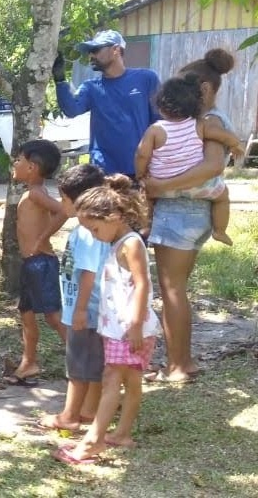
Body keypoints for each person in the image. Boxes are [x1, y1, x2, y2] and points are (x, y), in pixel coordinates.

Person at [142, 49, 236, 383]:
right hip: (192, 213)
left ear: (206, 90)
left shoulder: (211, 121)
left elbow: (212, 167)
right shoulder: (201, 123)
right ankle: (183, 361)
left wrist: (160, 185)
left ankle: (178, 366)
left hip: (179, 212)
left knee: (172, 291)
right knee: (176, 289)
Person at [54, 175, 161, 464]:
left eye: (95, 228)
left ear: (113, 217)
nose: (94, 234)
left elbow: (142, 285)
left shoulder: (130, 244)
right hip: (118, 328)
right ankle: (121, 434)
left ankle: (93, 441)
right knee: (131, 381)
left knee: (113, 378)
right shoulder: (118, 242)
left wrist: (136, 324)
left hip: (129, 329)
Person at [38, 164, 110, 432]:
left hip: (86, 311)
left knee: (78, 368)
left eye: (64, 199)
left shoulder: (87, 233)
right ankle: (90, 411)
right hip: (90, 310)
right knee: (92, 365)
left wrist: (79, 311)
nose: (61, 204)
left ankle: (69, 416)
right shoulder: (93, 229)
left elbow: (89, 273)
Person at [135, 73, 245, 245]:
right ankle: (220, 231)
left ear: (161, 107)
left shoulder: (156, 129)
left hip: (161, 185)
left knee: (145, 196)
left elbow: (142, 154)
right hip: (198, 185)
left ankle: (146, 226)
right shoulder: (199, 125)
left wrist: (141, 174)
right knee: (223, 196)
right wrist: (235, 144)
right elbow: (222, 135)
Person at [53, 30, 161, 177]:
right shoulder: (91, 87)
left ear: (116, 49)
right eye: (90, 51)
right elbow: (71, 110)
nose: (91, 56)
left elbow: (159, 121)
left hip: (140, 169)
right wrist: (59, 80)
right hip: (103, 172)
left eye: (96, 50)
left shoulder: (146, 78)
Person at [7, 139, 66, 386]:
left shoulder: (35, 194)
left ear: (32, 167)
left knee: (53, 316)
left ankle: (85, 357)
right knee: (27, 315)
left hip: (42, 262)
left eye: (19, 160)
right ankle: (28, 363)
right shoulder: (33, 193)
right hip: (31, 265)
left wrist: (42, 238)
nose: (15, 163)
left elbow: (65, 211)